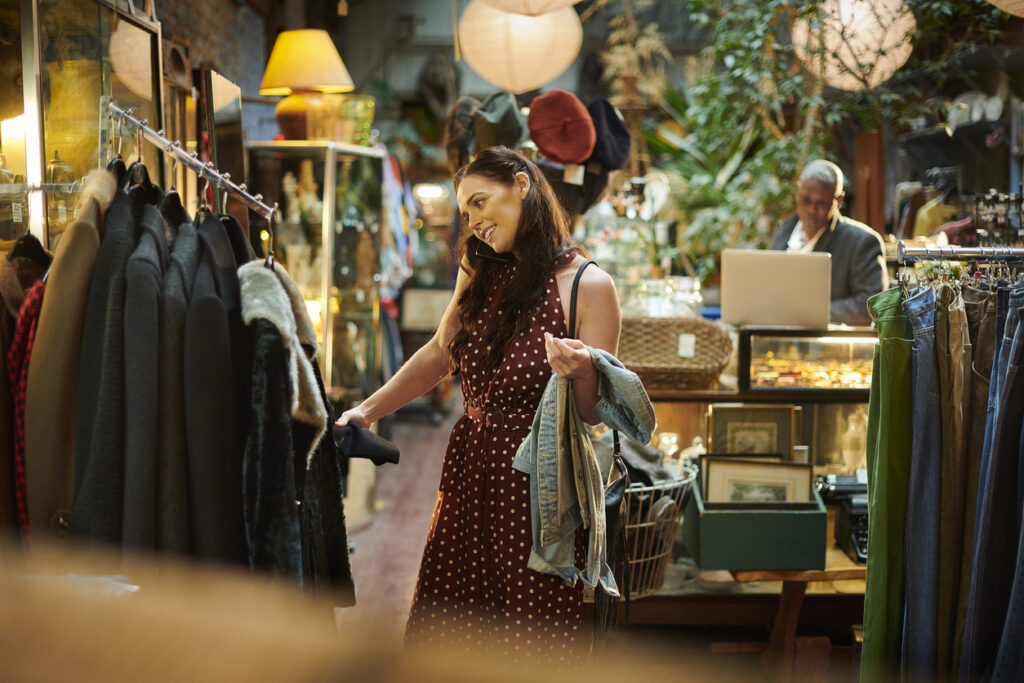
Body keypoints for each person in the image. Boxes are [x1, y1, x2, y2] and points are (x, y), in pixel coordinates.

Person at [336, 146, 621, 660]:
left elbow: (591, 414)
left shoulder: (589, 286)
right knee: (455, 627)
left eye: (481, 203)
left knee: (527, 634)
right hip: (470, 469)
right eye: (466, 212)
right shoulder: (480, 266)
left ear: (522, 185)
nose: (474, 221)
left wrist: (583, 373)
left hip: (539, 490)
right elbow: (441, 352)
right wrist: (368, 410)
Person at [771, 159, 888, 325]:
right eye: (806, 200)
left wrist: (808, 313)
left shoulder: (862, 242)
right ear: (797, 193)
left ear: (838, 201)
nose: (812, 210)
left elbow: (871, 306)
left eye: (821, 203)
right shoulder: (784, 232)